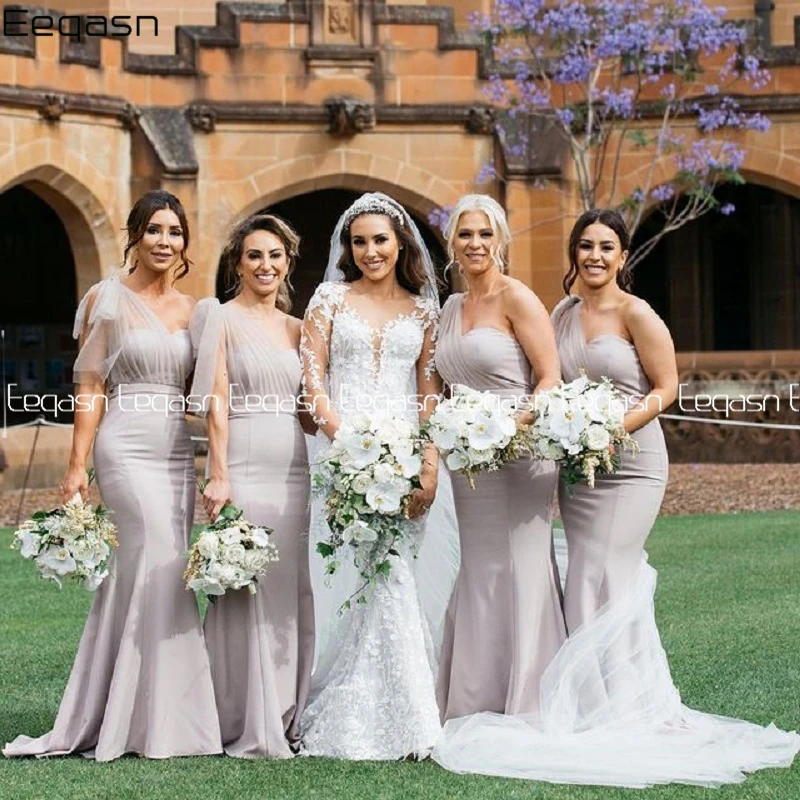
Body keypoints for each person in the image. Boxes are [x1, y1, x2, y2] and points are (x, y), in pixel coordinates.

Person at [432, 209, 800, 787]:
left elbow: (667, 387)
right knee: (581, 573)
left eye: (606, 247)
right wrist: (567, 433)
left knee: (605, 570)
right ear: (574, 255)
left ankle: (630, 704)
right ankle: (585, 701)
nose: (594, 256)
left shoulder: (638, 313)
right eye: (585, 247)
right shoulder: (561, 313)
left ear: (623, 256)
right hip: (579, 465)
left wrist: (611, 430)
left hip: (631, 462)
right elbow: (542, 378)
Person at [4, 190, 222, 761]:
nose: (165, 241)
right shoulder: (107, 299)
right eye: (155, 230)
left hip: (176, 448)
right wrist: (77, 465)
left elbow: (208, 388)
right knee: (150, 551)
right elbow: (90, 386)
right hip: (124, 443)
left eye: (175, 232)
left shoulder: (193, 309)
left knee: (166, 569)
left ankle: (160, 716)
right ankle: (126, 715)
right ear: (135, 234)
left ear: (184, 244)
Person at [298, 192, 458, 760]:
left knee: (395, 574)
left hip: (406, 460)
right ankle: (397, 714)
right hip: (344, 456)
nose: (370, 251)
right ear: (348, 248)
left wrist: (427, 466)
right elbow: (311, 383)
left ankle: (397, 708)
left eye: (380, 240)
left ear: (400, 245)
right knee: (363, 574)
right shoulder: (328, 299)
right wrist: (348, 447)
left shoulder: (423, 311)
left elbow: (430, 394)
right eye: (359, 241)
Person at [434, 194, 565, 721]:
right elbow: (442, 388)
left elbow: (550, 376)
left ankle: (530, 700)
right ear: (452, 244)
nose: (475, 244)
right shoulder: (449, 308)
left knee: (520, 566)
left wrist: (510, 428)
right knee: (480, 567)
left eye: (485, 234)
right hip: (467, 463)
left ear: (500, 241)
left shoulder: (518, 298)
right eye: (465, 234)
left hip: (519, 457)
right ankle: (475, 698)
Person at [190, 214, 316, 758]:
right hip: (243, 463)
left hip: (294, 467)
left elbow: (309, 414)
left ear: (287, 263)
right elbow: (215, 402)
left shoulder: (297, 328)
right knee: (245, 588)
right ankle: (238, 713)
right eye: (254, 256)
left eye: (275, 256)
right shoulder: (218, 318)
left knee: (290, 589)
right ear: (237, 264)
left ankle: (288, 710)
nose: (265, 266)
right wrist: (218, 474)